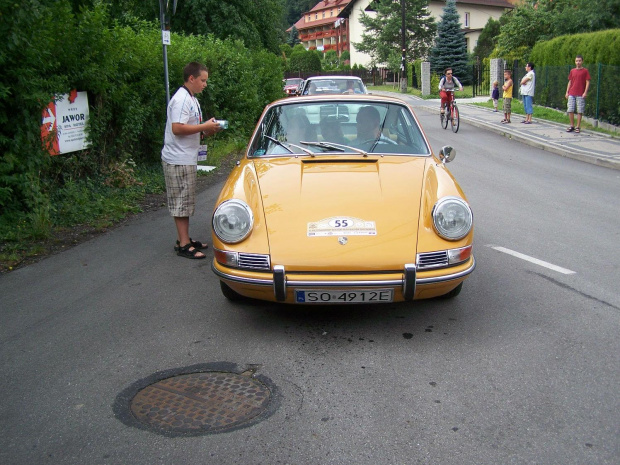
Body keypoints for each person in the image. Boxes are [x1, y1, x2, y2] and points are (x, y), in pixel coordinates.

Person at [161, 62, 222, 259]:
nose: (205, 84)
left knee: (186, 201)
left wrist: (207, 129)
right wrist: (203, 126)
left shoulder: (191, 99)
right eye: (203, 80)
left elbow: (192, 127)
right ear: (191, 79)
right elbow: (177, 128)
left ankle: (184, 238)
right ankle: (183, 245)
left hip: (186, 157)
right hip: (177, 158)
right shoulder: (181, 100)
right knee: (181, 201)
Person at [565, 55, 591, 133]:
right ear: (575, 61)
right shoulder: (572, 71)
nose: (578, 62)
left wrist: (585, 92)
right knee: (570, 109)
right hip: (572, 93)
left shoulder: (585, 71)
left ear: (582, 61)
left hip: (580, 93)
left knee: (579, 110)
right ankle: (572, 125)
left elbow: (587, 82)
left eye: (579, 61)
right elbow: (570, 81)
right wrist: (567, 92)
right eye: (576, 61)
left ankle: (578, 126)